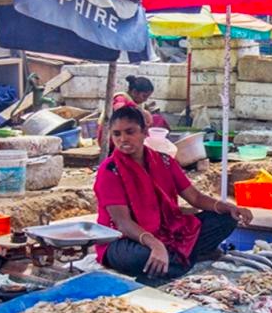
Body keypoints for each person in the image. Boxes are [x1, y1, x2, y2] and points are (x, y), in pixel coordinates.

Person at [94, 106, 254, 285]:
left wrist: (230, 207)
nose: (123, 139)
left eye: (130, 132)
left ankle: (172, 260)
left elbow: (195, 198)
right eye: (117, 134)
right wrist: (154, 244)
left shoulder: (164, 161)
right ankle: (184, 257)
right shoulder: (109, 171)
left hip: (170, 229)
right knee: (140, 257)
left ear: (144, 132)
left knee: (226, 219)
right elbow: (123, 223)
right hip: (124, 239)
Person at [96, 75, 169, 146]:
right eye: (144, 96)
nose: (145, 100)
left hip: (123, 134)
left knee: (157, 119)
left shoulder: (137, 103)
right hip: (109, 137)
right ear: (135, 92)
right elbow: (120, 110)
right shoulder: (120, 98)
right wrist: (142, 112)